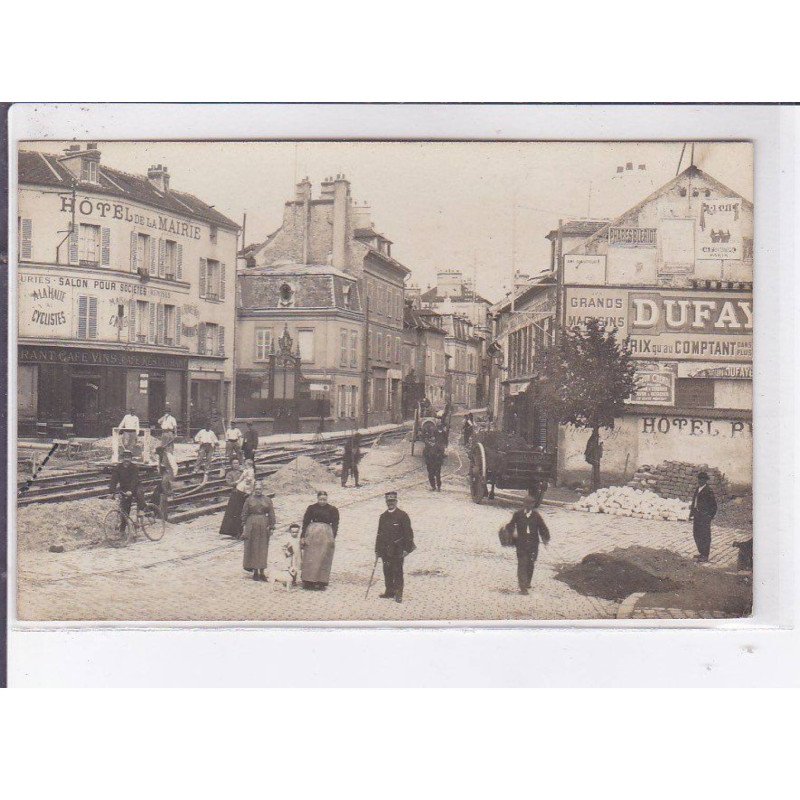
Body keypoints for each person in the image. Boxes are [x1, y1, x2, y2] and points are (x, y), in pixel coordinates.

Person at [504, 493, 550, 595]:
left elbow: (543, 527)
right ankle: (523, 587)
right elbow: (510, 525)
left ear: (533, 505)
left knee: (530, 564)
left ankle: (528, 581)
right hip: (521, 543)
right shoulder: (518, 514)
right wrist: (509, 532)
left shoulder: (536, 516)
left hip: (533, 544)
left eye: (530, 504)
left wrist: (545, 537)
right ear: (523, 504)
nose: (528, 506)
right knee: (522, 564)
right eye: (526, 504)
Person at [375, 490, 415, 603]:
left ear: (396, 501)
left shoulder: (403, 516)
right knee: (386, 570)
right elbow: (379, 534)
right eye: (388, 501)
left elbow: (408, 533)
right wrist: (377, 550)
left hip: (398, 549)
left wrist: (407, 549)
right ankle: (389, 591)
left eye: (392, 500)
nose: (390, 503)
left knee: (397, 571)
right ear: (386, 502)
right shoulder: (383, 517)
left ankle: (398, 593)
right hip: (385, 548)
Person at [300, 490, 340, 590]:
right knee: (311, 558)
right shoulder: (311, 508)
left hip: (326, 535)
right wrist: (303, 536)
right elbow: (305, 522)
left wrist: (332, 536)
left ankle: (321, 581)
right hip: (312, 533)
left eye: (324, 499)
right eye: (320, 499)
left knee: (324, 557)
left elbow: (335, 524)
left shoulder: (333, 509)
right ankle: (308, 581)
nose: (322, 501)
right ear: (317, 499)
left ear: (327, 499)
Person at [241, 481, 276, 582]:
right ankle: (255, 571)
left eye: (260, 489)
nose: (258, 491)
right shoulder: (249, 500)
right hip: (251, 524)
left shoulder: (267, 500)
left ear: (262, 489)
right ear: (253, 489)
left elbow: (271, 513)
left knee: (263, 548)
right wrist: (244, 527)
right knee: (253, 547)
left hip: (264, 525)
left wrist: (272, 526)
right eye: (256, 489)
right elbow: (244, 514)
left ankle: (262, 571)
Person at [109, 450, 148, 533]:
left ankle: (141, 509)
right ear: (122, 458)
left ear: (131, 459)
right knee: (124, 509)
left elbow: (134, 480)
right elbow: (113, 480)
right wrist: (112, 492)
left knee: (139, 493)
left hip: (136, 486)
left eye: (129, 458)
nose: (127, 460)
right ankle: (122, 530)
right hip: (125, 489)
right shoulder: (117, 468)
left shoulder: (134, 467)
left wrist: (130, 490)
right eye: (125, 458)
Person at [689, 471, 717, 563]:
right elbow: (694, 502)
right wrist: (691, 514)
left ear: (706, 481)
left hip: (704, 517)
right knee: (696, 534)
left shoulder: (708, 490)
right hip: (697, 515)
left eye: (703, 479)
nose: (701, 481)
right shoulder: (698, 489)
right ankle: (701, 552)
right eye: (699, 479)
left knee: (705, 535)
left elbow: (714, 506)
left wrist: (709, 516)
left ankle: (705, 555)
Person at [219, 456, 246, 538]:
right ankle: (233, 531)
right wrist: (238, 482)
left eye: (237, 463)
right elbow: (229, 483)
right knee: (234, 513)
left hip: (244, 494)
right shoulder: (229, 474)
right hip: (235, 494)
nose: (236, 465)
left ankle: (244, 531)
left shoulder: (243, 472)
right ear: (231, 465)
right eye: (234, 463)